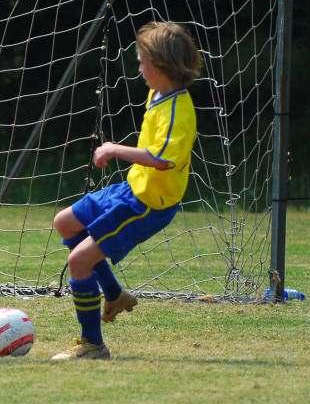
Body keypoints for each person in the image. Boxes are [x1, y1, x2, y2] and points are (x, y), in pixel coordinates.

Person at [51, 21, 201, 360]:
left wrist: (113, 149)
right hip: (131, 189)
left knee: (79, 261)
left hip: (147, 205)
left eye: (142, 62)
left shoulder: (178, 110)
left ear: (162, 65)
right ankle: (114, 294)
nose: (139, 68)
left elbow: (161, 160)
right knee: (65, 223)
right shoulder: (158, 94)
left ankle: (92, 344)